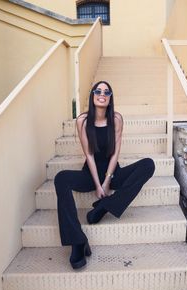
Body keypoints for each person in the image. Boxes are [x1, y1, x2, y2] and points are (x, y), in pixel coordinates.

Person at [54, 81, 155, 270]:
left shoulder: (116, 119)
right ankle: (77, 241)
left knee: (148, 164)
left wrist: (107, 182)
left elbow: (115, 153)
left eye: (107, 92)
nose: (102, 94)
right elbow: (89, 156)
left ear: (110, 98)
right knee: (61, 178)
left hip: (113, 173)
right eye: (98, 91)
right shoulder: (82, 120)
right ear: (92, 95)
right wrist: (98, 185)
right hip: (90, 174)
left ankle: (104, 207)